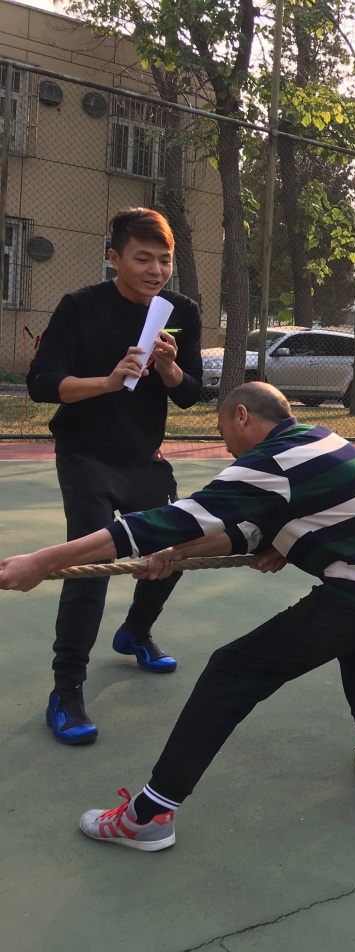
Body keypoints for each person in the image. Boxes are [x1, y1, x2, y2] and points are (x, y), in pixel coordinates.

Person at [0, 383, 355, 851]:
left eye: (222, 429)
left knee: (231, 670)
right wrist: (179, 553)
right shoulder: (318, 439)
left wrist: (43, 561)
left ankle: (148, 816)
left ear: (242, 415)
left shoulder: (271, 461)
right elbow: (248, 532)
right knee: (353, 640)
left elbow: (167, 521)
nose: (225, 446)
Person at [26, 207, 204, 746]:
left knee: (177, 550)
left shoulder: (180, 311)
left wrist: (169, 368)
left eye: (164, 260)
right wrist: (107, 382)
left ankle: (135, 634)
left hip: (143, 458)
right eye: (143, 258)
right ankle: (66, 690)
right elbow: (42, 383)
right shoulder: (80, 306)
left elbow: (191, 393)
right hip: (85, 457)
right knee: (92, 567)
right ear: (114, 258)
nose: (156, 270)